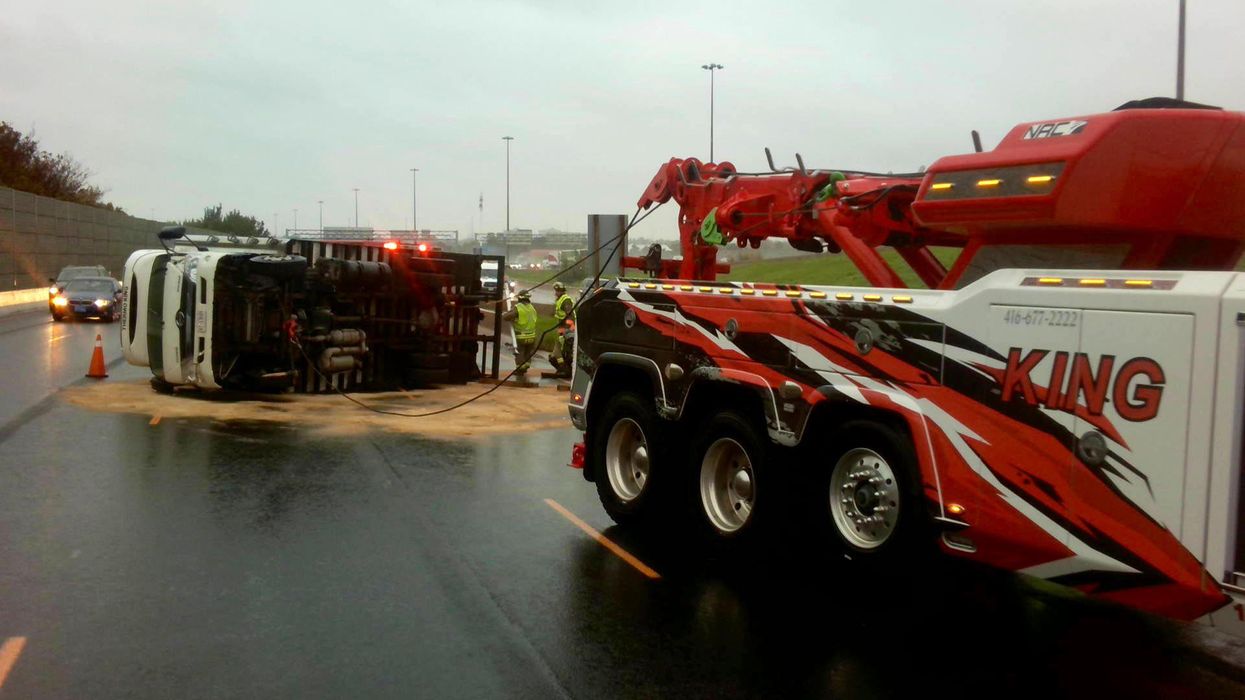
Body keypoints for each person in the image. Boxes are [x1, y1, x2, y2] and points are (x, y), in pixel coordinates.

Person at [502, 290, 538, 378]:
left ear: (519, 298)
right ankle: (526, 366)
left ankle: (520, 369)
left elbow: (507, 317)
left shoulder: (519, 307)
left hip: (522, 336)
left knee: (519, 352)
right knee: (528, 352)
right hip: (532, 336)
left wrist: (506, 314)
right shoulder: (532, 308)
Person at [550, 282, 575, 378]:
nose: (555, 293)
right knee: (559, 351)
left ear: (561, 291)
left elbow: (570, 316)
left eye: (557, 291)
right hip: (562, 328)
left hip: (567, 329)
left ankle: (563, 368)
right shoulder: (560, 300)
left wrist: (567, 331)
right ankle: (563, 368)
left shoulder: (566, 300)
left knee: (560, 350)